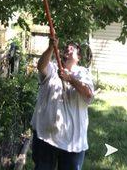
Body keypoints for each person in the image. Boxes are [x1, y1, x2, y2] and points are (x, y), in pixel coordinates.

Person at [31, 39, 94, 170]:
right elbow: (41, 67)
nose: (68, 50)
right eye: (66, 48)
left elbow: (88, 94)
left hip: (73, 142)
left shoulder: (83, 73)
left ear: (79, 57)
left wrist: (70, 78)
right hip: (45, 137)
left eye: (72, 49)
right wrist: (50, 49)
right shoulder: (53, 68)